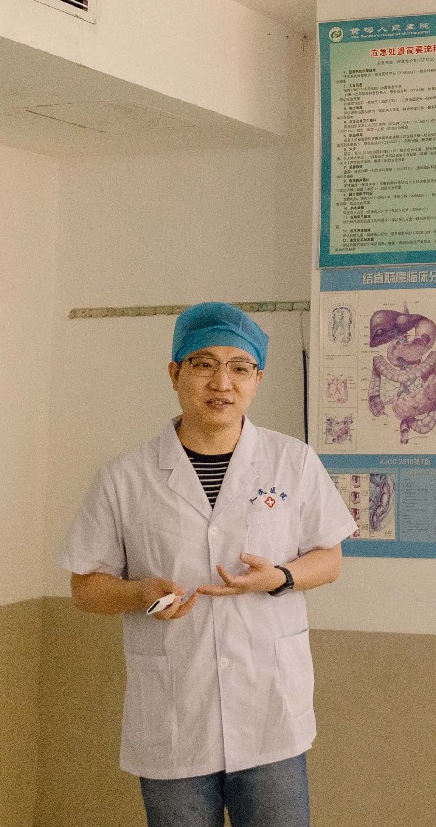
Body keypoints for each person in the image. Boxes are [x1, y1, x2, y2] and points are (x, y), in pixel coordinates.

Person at [58, 302, 356, 827]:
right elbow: (86, 587)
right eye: (203, 364)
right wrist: (138, 593)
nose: (222, 382)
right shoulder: (126, 476)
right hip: (175, 716)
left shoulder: (293, 461)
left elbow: (329, 559)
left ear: (258, 379)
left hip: (270, 713)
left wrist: (281, 578)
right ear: (175, 373)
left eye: (240, 367)